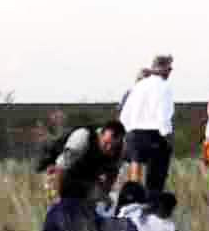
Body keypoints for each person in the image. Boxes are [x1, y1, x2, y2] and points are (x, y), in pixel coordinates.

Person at [119, 55, 175, 194]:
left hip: (133, 134)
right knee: (155, 182)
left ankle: (133, 202)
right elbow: (163, 114)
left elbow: (124, 115)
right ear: (165, 69)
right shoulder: (163, 86)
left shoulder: (139, 86)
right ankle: (152, 205)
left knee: (134, 174)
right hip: (153, 135)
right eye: (170, 68)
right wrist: (167, 135)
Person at [37, 120, 126, 201]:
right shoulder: (82, 137)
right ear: (100, 135)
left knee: (96, 196)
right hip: (57, 170)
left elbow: (111, 176)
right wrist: (58, 200)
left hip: (84, 177)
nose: (109, 148)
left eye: (114, 146)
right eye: (106, 143)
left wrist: (103, 197)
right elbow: (60, 168)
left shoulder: (119, 151)